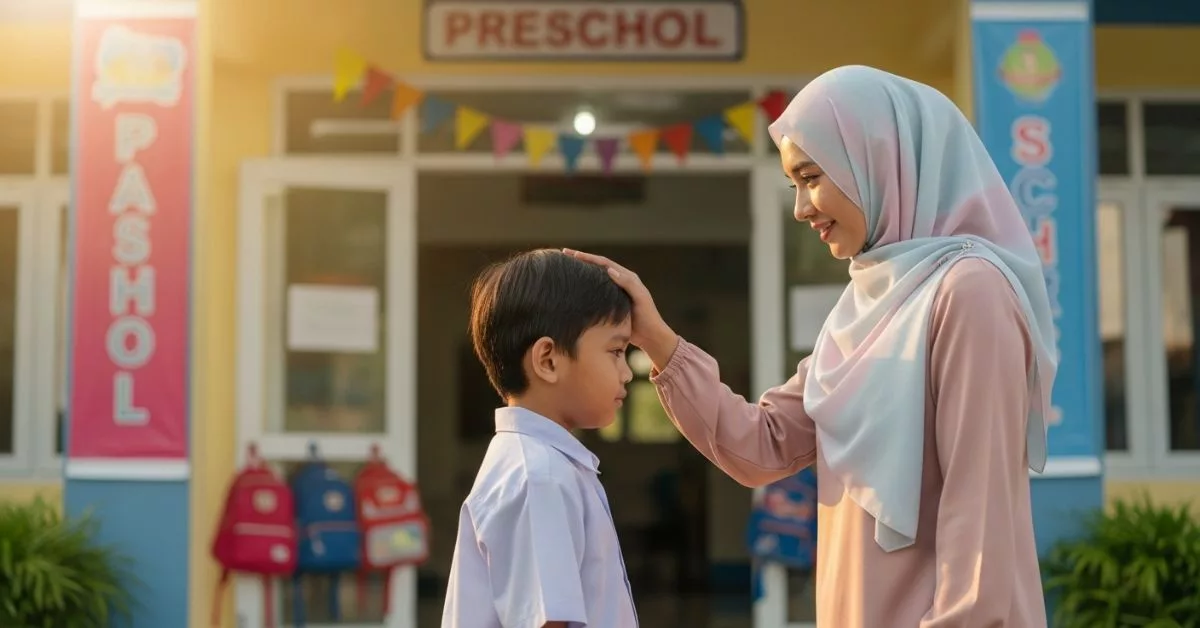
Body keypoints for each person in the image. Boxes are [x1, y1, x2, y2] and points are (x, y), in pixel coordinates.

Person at [567, 65, 1057, 627]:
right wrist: (654, 336)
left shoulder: (969, 293)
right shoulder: (864, 306)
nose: (801, 208)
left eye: (812, 177)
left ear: (878, 159)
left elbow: (982, 525)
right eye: (793, 185)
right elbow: (762, 446)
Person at [441, 249, 640, 628]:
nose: (627, 373)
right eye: (615, 351)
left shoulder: (541, 463)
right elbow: (546, 622)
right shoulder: (539, 475)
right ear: (548, 360)